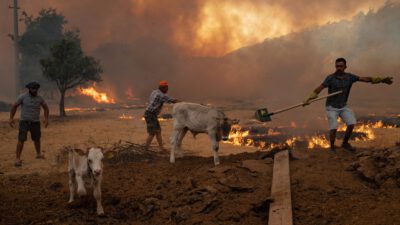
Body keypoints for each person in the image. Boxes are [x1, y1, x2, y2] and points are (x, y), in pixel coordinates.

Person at [303, 58, 393, 152]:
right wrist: (310, 97)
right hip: (331, 107)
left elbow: (365, 79)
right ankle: (332, 148)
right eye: (337, 66)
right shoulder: (330, 78)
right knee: (333, 127)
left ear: (345, 67)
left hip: (343, 106)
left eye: (341, 66)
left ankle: (345, 143)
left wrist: (380, 80)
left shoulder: (349, 77)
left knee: (351, 123)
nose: (338, 68)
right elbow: (320, 88)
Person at [9, 82, 49, 167]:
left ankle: (38, 154)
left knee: (37, 139)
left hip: (35, 122)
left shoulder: (40, 98)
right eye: (32, 89)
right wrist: (11, 118)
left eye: (36, 89)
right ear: (29, 89)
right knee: (21, 140)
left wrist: (46, 119)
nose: (34, 90)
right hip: (24, 122)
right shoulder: (22, 97)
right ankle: (17, 159)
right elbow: (14, 106)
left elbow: (46, 108)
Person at [144, 81, 179, 150]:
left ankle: (161, 148)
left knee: (158, 131)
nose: (167, 90)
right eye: (166, 88)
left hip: (150, 114)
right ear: (163, 88)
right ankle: (145, 149)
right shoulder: (161, 95)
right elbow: (172, 100)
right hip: (150, 114)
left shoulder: (154, 92)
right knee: (152, 133)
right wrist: (185, 103)